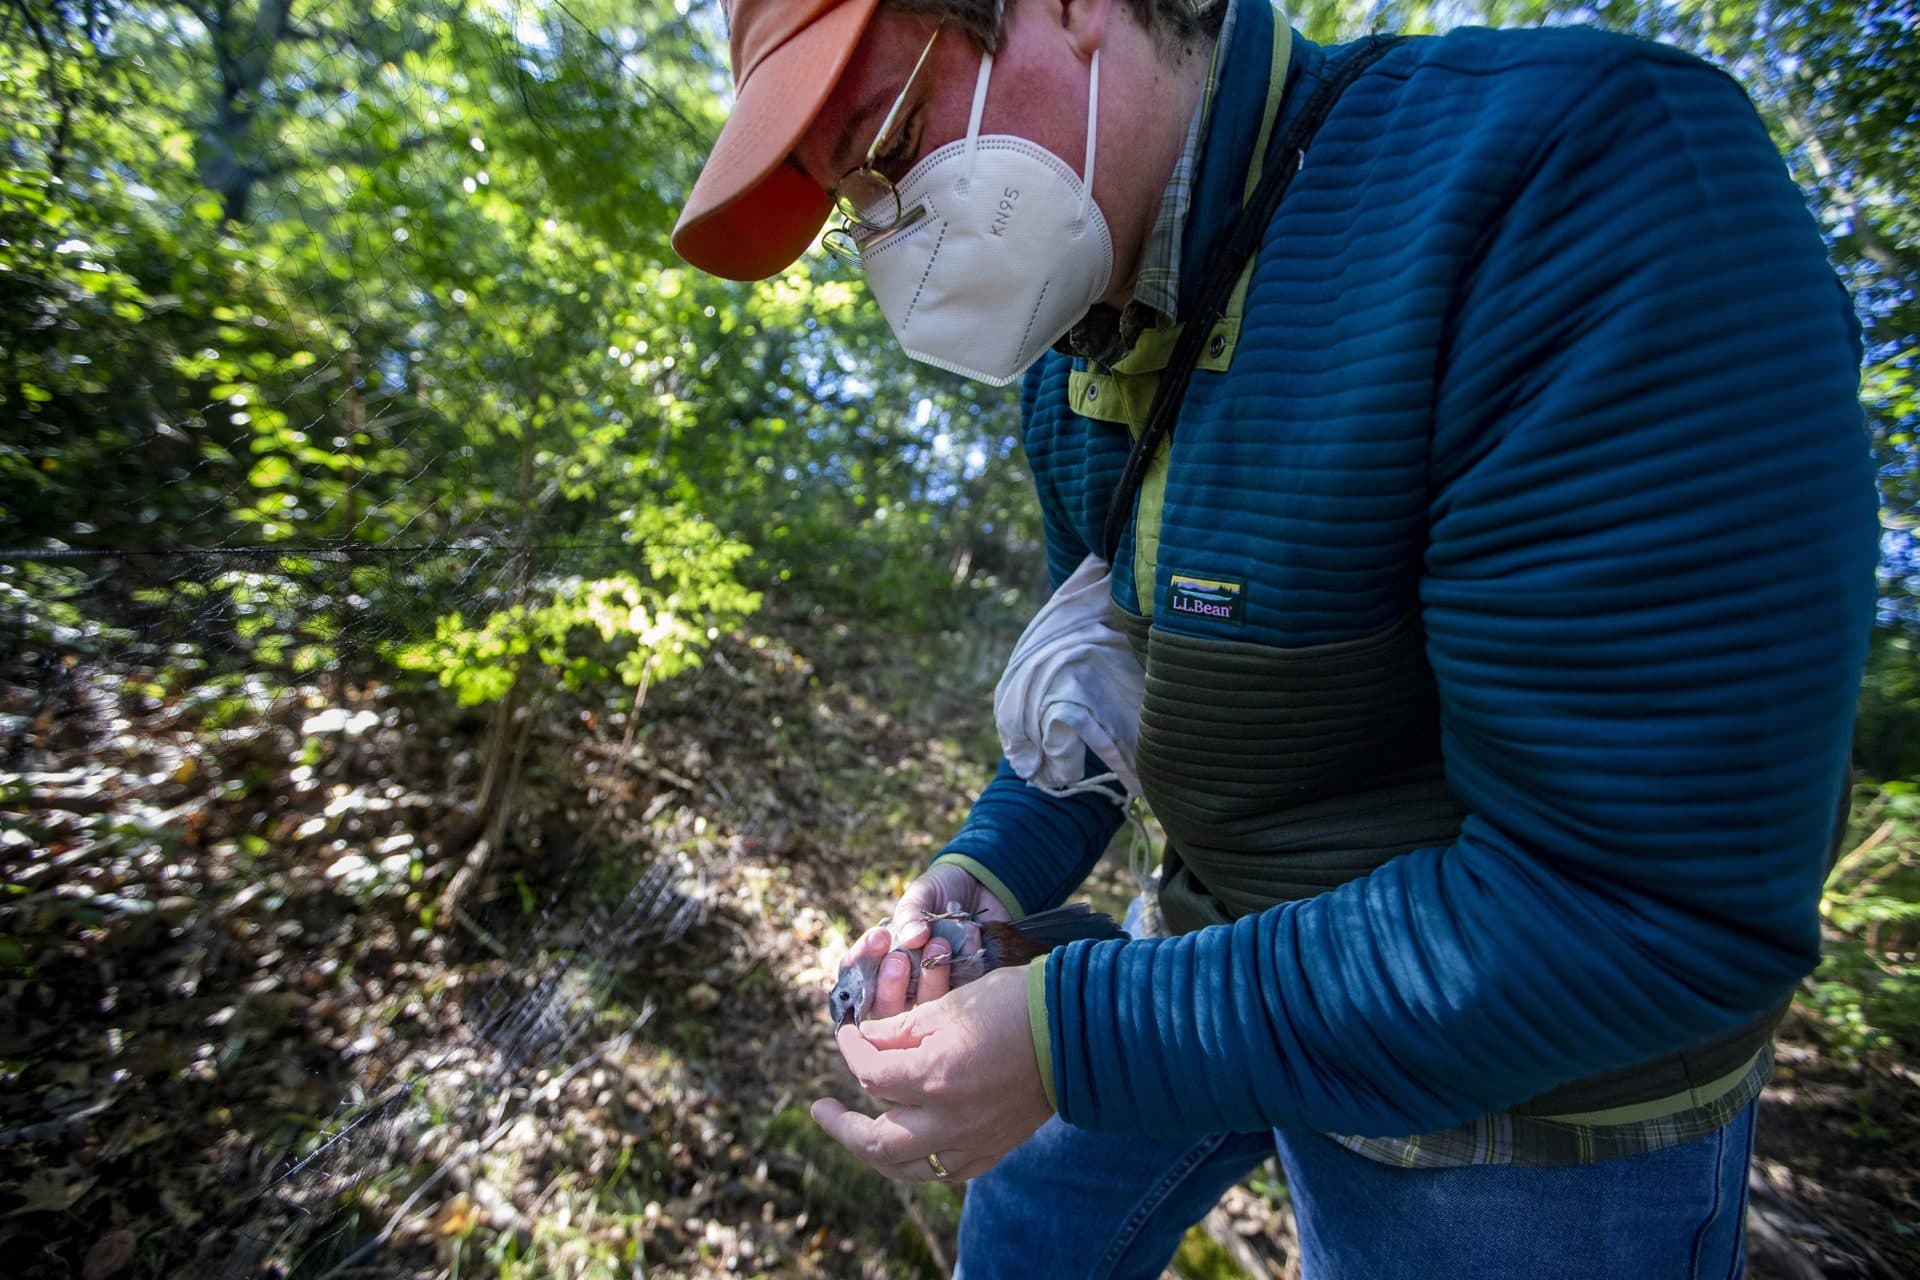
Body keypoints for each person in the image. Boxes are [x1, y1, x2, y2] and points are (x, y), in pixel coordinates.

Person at [673, 0, 1881, 1275]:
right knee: (1028, 1219)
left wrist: (1069, 1035)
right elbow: (1097, 698)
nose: (889, 232)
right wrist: (982, 874)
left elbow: (1640, 905)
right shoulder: (1078, 370)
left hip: (1517, 1112)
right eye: (850, 204)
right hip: (1221, 945)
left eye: (893, 138)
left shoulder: (1570, 169)